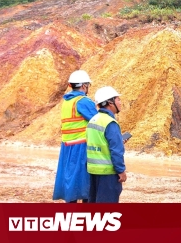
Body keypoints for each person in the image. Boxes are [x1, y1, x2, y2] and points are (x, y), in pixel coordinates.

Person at [53, 70, 98, 203]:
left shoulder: (67, 102)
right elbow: (98, 121)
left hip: (67, 146)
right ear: (84, 86)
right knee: (86, 182)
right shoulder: (83, 101)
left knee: (71, 180)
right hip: (81, 146)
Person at [86, 86, 127, 203]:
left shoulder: (93, 120)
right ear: (110, 102)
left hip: (93, 171)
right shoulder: (110, 123)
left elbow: (97, 142)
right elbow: (116, 151)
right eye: (118, 99)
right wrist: (121, 171)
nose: (120, 102)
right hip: (108, 173)